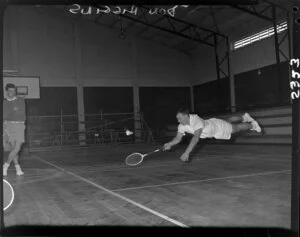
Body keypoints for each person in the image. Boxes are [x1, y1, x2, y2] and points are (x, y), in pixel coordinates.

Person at [163, 108, 262, 162]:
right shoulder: (182, 125)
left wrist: (187, 152)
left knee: (235, 128)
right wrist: (170, 144)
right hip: (214, 127)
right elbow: (177, 138)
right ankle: (244, 117)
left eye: (179, 118)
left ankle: (252, 125)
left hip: (217, 128)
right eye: (177, 118)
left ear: (186, 116)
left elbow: (196, 138)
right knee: (228, 121)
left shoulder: (195, 120)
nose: (178, 120)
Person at [3, 83, 26, 176]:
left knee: (17, 148)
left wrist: (10, 114)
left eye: (13, 90)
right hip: (8, 126)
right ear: (7, 91)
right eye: (9, 90)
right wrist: (13, 112)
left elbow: (20, 113)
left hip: (20, 126)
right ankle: (18, 168)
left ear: (15, 91)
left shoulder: (21, 100)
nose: (11, 92)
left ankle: (5, 166)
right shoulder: (4, 103)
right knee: (13, 149)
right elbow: (4, 116)